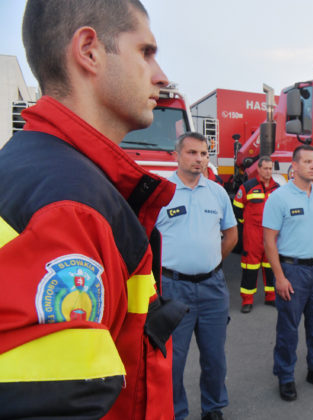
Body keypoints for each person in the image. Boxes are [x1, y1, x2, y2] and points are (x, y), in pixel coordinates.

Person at [0, 1, 188, 419]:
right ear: (89, 50)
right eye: (145, 52)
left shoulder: (35, 170)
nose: (161, 75)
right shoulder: (70, 208)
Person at [156, 132, 238, 420]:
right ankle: (175, 412)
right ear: (176, 155)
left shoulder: (216, 192)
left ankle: (213, 407)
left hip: (212, 288)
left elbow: (231, 234)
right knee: (173, 360)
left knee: (215, 358)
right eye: (192, 153)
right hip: (172, 288)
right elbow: (145, 239)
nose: (199, 159)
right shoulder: (161, 191)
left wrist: (212, 263)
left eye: (204, 154)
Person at [263, 145, 313, 401]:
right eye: (307, 161)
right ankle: (285, 376)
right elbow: (269, 240)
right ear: (294, 166)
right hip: (292, 270)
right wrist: (280, 277)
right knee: (288, 329)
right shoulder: (279, 198)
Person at [233, 156, 279, 313]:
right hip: (252, 235)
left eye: (270, 168)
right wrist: (245, 226)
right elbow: (237, 208)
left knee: (271, 266)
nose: (268, 171)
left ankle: (271, 297)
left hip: (271, 235)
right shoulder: (247, 187)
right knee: (250, 268)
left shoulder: (277, 188)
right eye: (265, 168)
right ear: (258, 169)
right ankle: (247, 300)